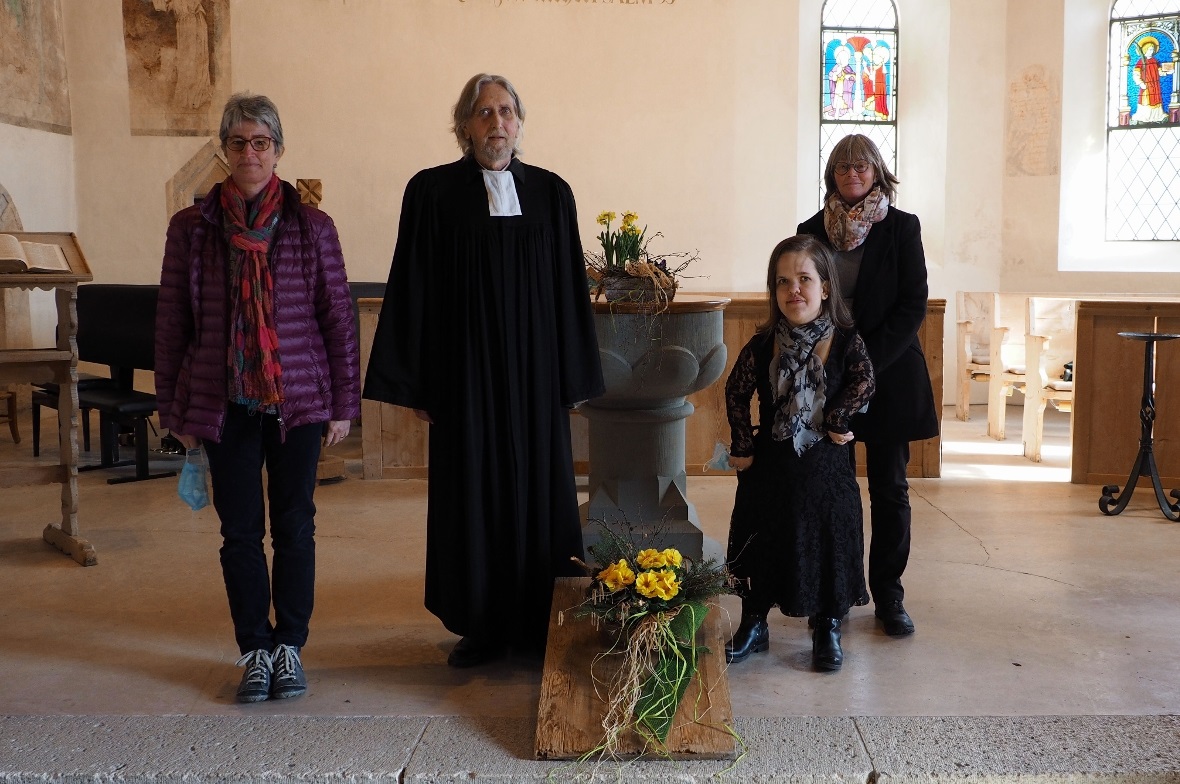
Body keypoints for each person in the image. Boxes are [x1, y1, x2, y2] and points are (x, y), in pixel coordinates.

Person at [362, 73, 604, 668]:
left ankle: (540, 619)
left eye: (506, 111)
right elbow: (412, 285)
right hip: (465, 381)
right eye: (483, 113)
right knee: (473, 495)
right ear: (464, 125)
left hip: (533, 382)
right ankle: (481, 625)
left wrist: (570, 379)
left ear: (519, 122)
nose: (496, 123)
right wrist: (419, 381)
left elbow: (570, 290)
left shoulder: (552, 195)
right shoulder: (432, 193)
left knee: (540, 494)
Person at [155, 92, 360, 703]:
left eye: (262, 142)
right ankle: (255, 650)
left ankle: (290, 647)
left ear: (278, 151)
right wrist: (174, 409)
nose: (251, 153)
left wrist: (344, 402)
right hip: (225, 403)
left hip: (297, 400)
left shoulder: (312, 226)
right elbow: (172, 325)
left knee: (295, 526)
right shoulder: (191, 229)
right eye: (239, 142)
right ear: (225, 150)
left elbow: (336, 319)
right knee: (240, 534)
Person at [798, 134, 939, 637]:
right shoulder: (811, 231)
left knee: (890, 489)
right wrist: (834, 368)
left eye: (862, 167)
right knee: (828, 491)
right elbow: (803, 299)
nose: (852, 175)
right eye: (842, 168)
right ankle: (831, 597)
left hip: (889, 372)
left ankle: (889, 596)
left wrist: (864, 364)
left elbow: (912, 305)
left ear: (878, 172)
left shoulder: (902, 228)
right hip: (827, 377)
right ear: (832, 175)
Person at [723, 234, 876, 672]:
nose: (794, 290)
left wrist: (838, 418)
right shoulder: (765, 343)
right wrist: (743, 444)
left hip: (824, 467)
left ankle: (826, 622)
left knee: (826, 535)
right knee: (762, 538)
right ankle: (754, 621)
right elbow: (736, 391)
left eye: (804, 279)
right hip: (771, 467)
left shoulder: (845, 340)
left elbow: (865, 380)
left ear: (825, 287)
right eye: (783, 281)